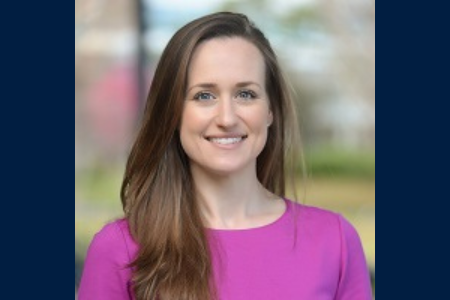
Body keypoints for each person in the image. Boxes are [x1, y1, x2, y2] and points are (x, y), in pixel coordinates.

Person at [78, 12, 372, 300]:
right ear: (174, 113)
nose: (227, 117)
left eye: (246, 94)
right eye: (204, 96)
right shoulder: (120, 248)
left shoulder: (334, 241)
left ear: (270, 110)